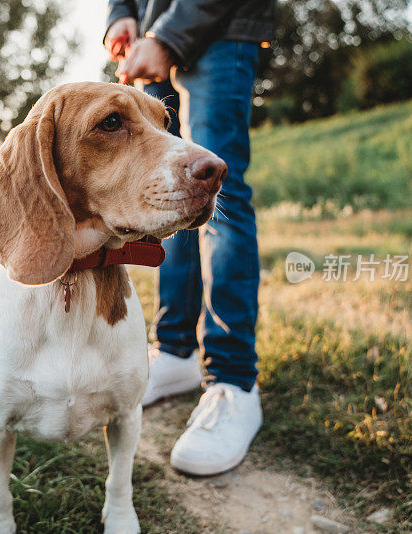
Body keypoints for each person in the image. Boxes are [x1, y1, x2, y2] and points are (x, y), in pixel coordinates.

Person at [104, 0, 275, 476]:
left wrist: (168, 38)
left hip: (221, 28)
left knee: (222, 190)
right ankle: (177, 351)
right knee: (170, 192)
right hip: (152, 32)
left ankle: (234, 380)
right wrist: (120, 15)